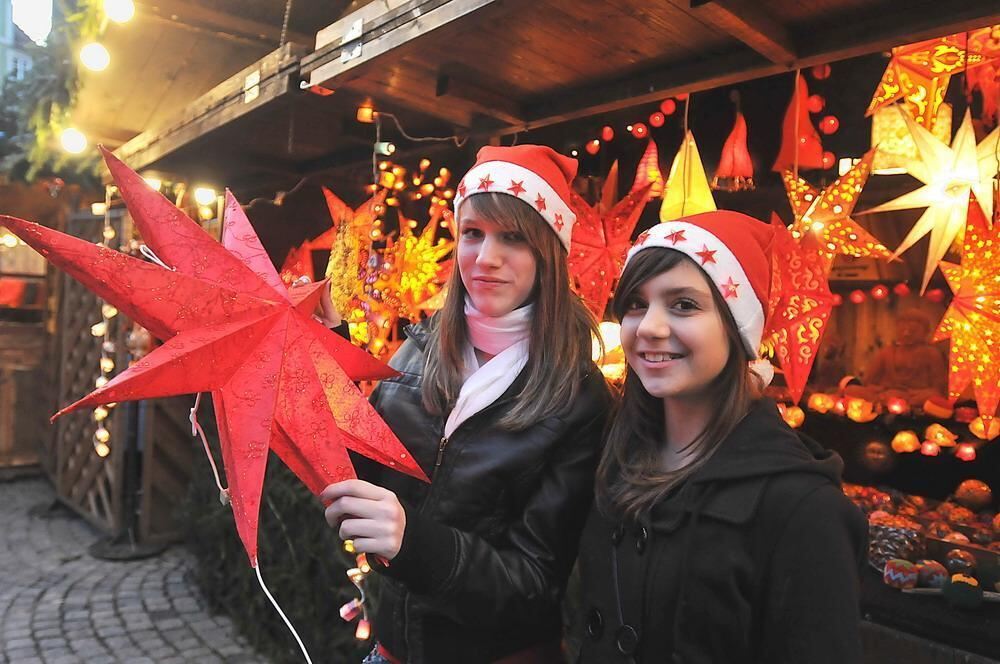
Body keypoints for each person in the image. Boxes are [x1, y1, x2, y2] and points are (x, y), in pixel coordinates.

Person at [319, 145, 613, 663]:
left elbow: (536, 583)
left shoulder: (579, 396)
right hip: (391, 651)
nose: (485, 257)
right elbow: (360, 469)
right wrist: (321, 366)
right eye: (473, 233)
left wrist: (416, 545)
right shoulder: (423, 344)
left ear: (550, 252)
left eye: (513, 238)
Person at [574, 211, 867, 663]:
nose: (649, 326)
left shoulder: (801, 508)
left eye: (683, 305)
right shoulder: (615, 457)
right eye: (635, 303)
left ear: (739, 330)